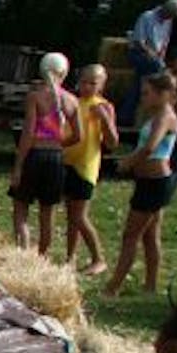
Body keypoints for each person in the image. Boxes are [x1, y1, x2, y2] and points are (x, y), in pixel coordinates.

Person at [104, 72, 177, 297]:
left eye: (147, 93)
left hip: (155, 183)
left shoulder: (165, 116)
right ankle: (150, 286)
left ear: (163, 94)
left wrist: (128, 162)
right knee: (149, 236)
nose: (142, 98)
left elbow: (150, 147)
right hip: (150, 181)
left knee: (131, 235)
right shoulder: (156, 114)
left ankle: (113, 287)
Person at [10, 53, 80, 255]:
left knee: (21, 206)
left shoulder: (35, 97)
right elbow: (78, 135)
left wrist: (18, 166)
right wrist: (58, 144)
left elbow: (28, 133)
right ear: (64, 72)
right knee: (47, 211)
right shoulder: (72, 101)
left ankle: (22, 252)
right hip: (56, 158)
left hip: (34, 155)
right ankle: (42, 257)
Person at [61, 64, 118, 275]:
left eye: (92, 83)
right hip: (68, 162)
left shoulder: (104, 106)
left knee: (80, 216)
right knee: (71, 215)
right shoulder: (75, 102)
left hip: (86, 166)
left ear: (102, 85)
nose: (86, 86)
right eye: (84, 81)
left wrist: (104, 119)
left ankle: (98, 258)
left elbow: (112, 143)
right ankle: (70, 258)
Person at [122, 0, 177, 125]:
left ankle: (127, 116)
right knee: (159, 72)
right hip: (138, 54)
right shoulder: (147, 17)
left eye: (172, 17)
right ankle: (160, 105)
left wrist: (161, 55)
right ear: (164, 9)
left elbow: (164, 43)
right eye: (169, 15)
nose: (169, 18)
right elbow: (139, 42)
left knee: (142, 81)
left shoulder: (168, 21)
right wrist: (156, 58)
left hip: (153, 58)